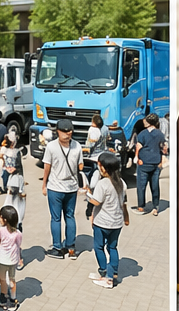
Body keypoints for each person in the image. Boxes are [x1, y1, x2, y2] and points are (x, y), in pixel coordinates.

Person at [87, 150, 131, 288]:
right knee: (112, 247)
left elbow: (96, 201)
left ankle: (106, 275)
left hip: (103, 223)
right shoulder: (121, 182)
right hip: (117, 223)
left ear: (103, 168)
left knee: (98, 247)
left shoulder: (103, 184)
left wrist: (87, 193)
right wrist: (126, 218)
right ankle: (112, 274)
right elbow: (124, 203)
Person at [42, 118, 85, 258]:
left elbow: (47, 167)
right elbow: (81, 167)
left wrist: (44, 184)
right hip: (72, 188)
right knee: (70, 216)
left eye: (68, 131)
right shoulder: (77, 146)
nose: (67, 134)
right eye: (66, 131)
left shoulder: (51, 146)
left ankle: (57, 248)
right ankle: (71, 248)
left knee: (55, 218)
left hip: (55, 187)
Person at [133, 112, 168, 214]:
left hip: (143, 162)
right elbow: (164, 149)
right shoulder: (160, 134)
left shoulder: (142, 134)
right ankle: (155, 207)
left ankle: (141, 206)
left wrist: (137, 158)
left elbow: (138, 147)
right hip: (156, 163)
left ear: (148, 122)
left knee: (141, 185)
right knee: (155, 186)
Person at [0, 204, 24, 311]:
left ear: (4, 219)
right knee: (12, 279)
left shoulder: (0, 230)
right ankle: (13, 299)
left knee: (2, 279)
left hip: (2, 260)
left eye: (0, 217)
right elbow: (18, 245)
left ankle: (3, 297)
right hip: (13, 260)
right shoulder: (18, 233)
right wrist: (19, 258)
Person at [0, 129, 25, 227]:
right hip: (15, 178)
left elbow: (4, 163)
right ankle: (16, 220)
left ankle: (9, 219)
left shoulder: (6, 151)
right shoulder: (15, 152)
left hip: (12, 178)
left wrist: (8, 168)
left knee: (11, 199)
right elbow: (18, 166)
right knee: (16, 201)